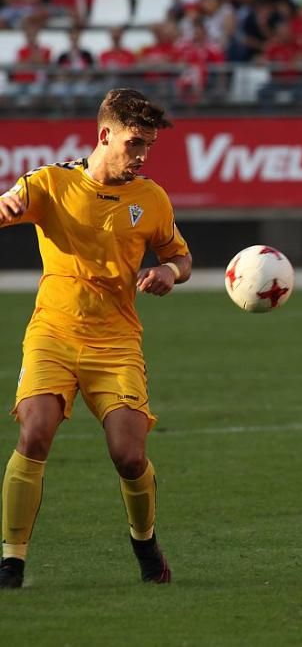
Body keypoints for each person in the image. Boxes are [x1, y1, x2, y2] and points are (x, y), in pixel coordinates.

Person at [0, 89, 192, 589]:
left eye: (148, 146)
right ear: (105, 135)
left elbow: (183, 258)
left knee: (128, 454)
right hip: (53, 332)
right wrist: (6, 206)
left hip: (116, 340)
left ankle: (145, 541)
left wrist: (170, 270)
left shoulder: (151, 198)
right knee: (34, 433)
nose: (142, 155)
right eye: (134, 143)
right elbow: (11, 202)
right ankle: (12, 562)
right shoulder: (50, 181)